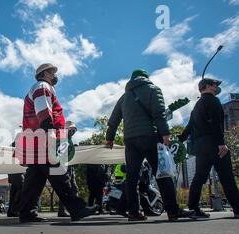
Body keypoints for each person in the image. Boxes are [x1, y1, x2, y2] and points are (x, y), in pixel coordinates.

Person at [106, 69, 193, 222]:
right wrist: (165, 133)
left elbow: (113, 120)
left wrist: (110, 138)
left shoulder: (124, 97)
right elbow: (158, 114)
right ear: (146, 78)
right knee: (162, 173)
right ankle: (173, 211)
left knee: (132, 177)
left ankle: (133, 212)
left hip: (131, 140)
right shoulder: (153, 90)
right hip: (150, 137)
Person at [15, 63, 98, 223]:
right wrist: (52, 134)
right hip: (45, 139)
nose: (55, 75)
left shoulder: (39, 87)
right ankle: (77, 209)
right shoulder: (42, 86)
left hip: (36, 140)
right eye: (52, 72)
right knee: (59, 174)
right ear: (45, 73)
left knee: (34, 180)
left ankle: (26, 213)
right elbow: (44, 112)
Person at [179, 78, 239, 219]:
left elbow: (189, 127)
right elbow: (216, 124)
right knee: (227, 177)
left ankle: (193, 208)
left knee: (198, 178)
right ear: (207, 86)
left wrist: (179, 140)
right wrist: (221, 144)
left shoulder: (197, 106)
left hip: (200, 147)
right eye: (214, 85)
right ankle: (237, 208)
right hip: (214, 144)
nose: (216, 87)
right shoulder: (213, 101)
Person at [57, 121, 79, 217]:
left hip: (69, 167)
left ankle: (74, 208)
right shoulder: (62, 138)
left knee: (73, 188)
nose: (73, 132)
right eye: (71, 129)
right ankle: (64, 210)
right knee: (68, 188)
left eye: (74, 130)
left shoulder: (68, 139)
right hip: (64, 167)